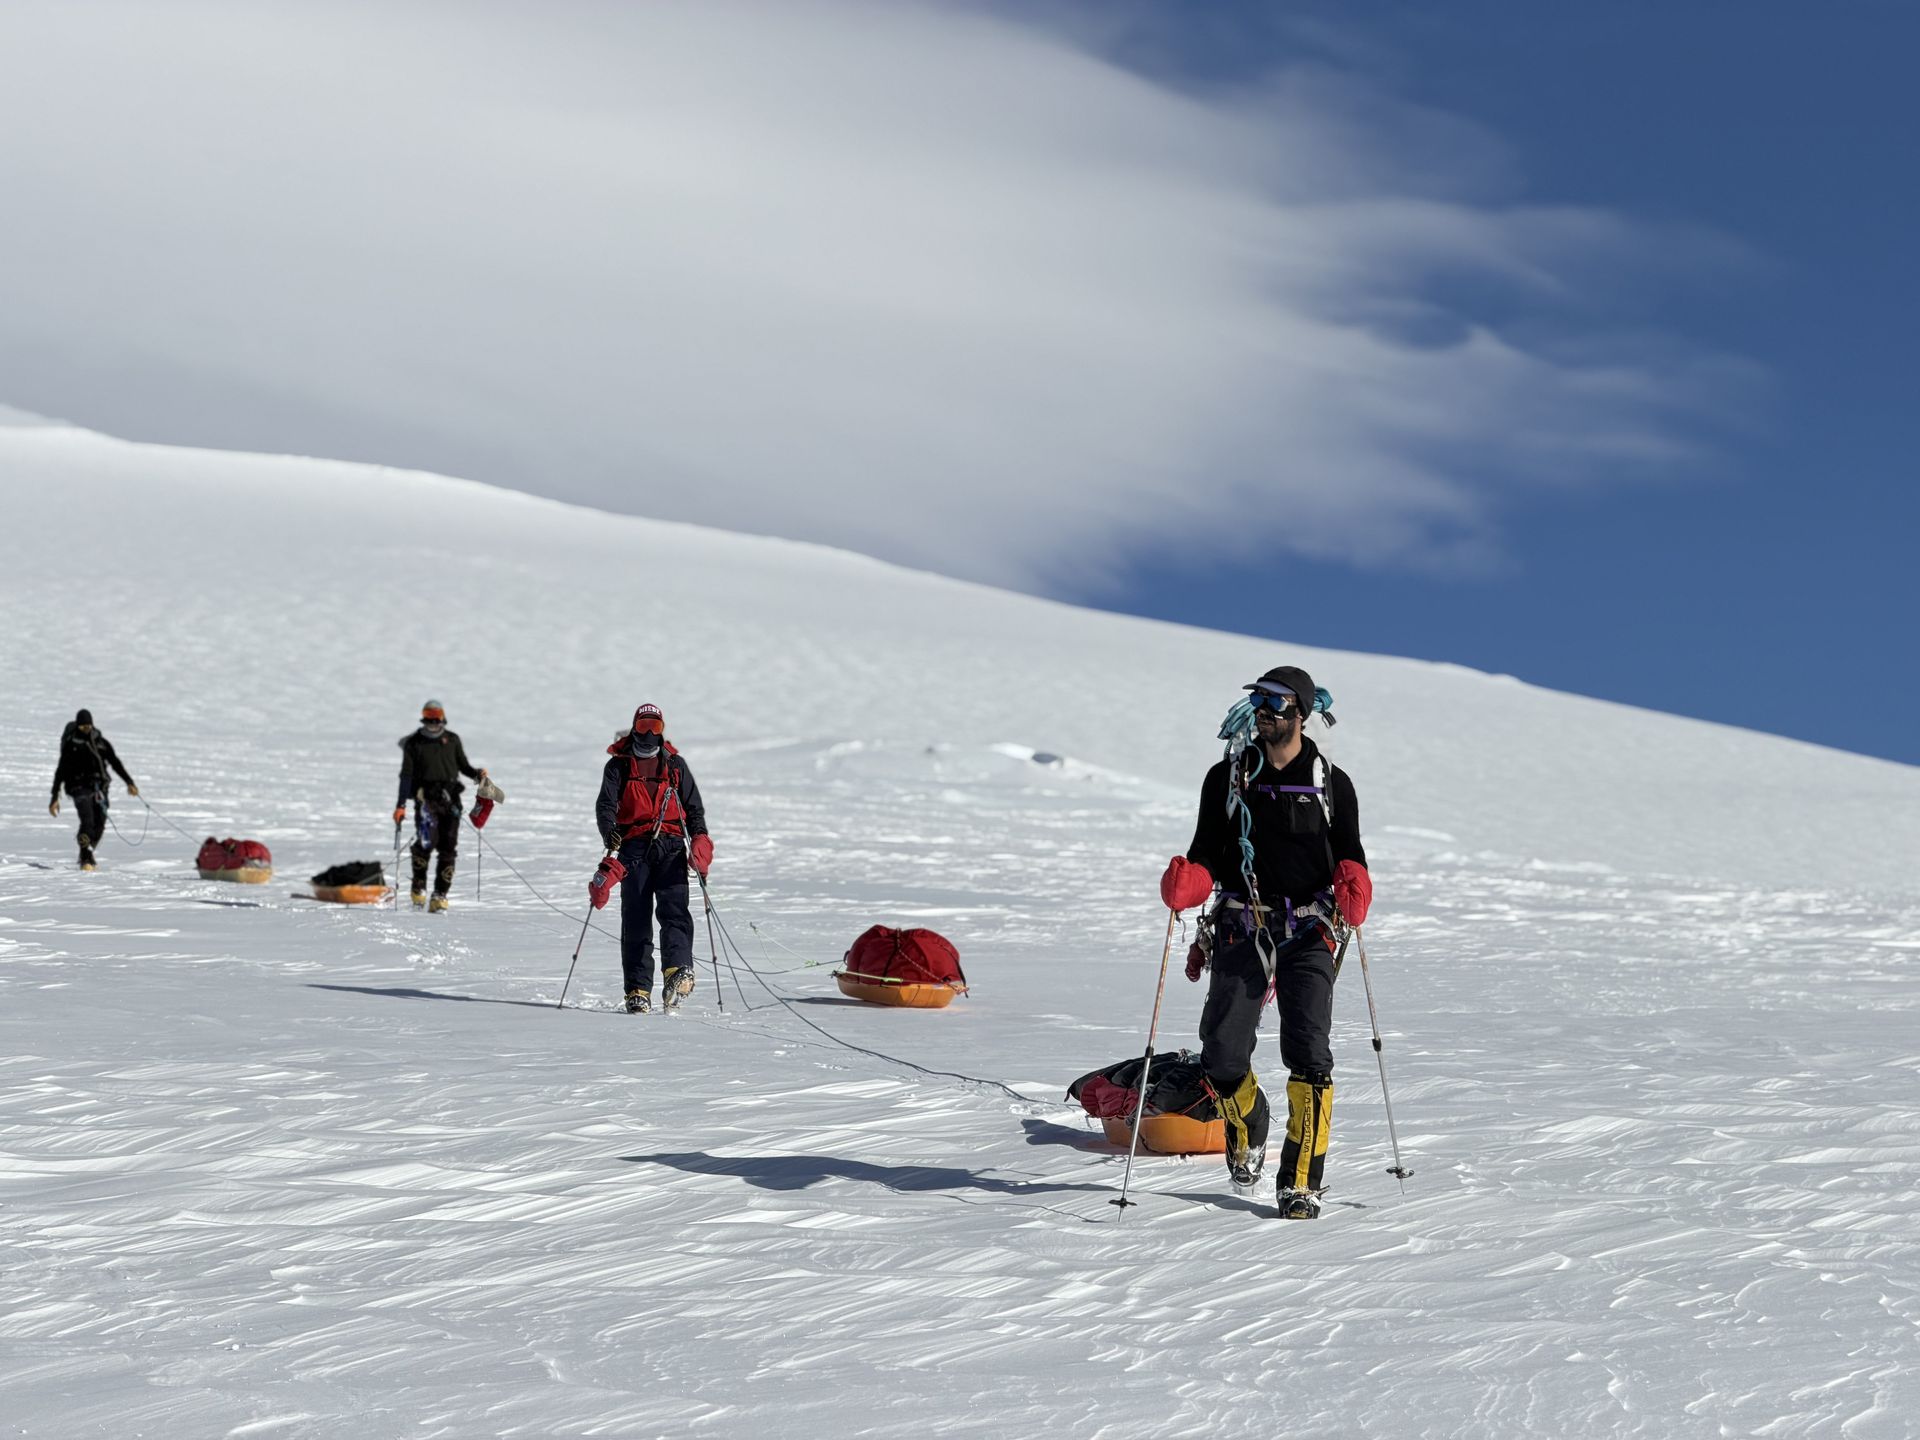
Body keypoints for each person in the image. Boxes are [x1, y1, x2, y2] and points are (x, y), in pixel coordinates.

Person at [1159, 665, 1373, 1220]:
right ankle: (1248, 1121)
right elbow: (1207, 847)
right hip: (1240, 922)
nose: (1263, 712)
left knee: (1308, 1052)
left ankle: (1300, 1182)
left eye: (1276, 704)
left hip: (1309, 928)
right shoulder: (1226, 778)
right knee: (1222, 1053)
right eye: (1258, 702)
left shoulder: (1332, 782)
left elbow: (1349, 850)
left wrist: (1354, 881)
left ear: (1301, 714)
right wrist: (1193, 879)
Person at [595, 703, 713, 1013]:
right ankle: (638, 989)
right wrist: (609, 833)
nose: (649, 733)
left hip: (672, 846)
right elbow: (606, 806)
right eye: (645, 725)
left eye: (656, 727)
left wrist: (699, 838)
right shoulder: (618, 767)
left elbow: (694, 809)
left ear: (662, 730)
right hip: (634, 849)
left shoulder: (675, 765)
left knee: (675, 912)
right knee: (636, 919)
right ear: (635, 727)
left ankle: (677, 972)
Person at [393, 699, 486, 912]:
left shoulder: (452, 740)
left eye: (437, 717)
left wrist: (477, 774)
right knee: (426, 843)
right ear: (424, 717)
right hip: (425, 800)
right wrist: (400, 805)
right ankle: (419, 888)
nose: (434, 721)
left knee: (448, 847)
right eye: (430, 717)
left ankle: (440, 895)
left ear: (442, 718)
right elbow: (406, 775)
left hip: (451, 800)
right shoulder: (414, 743)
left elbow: (463, 766)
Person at [48, 708, 138, 870]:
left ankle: (88, 851)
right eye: (82, 727)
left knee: (100, 824)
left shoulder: (100, 742)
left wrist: (129, 782)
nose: (86, 729)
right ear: (77, 726)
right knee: (87, 821)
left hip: (100, 788)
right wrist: (55, 796)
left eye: (88, 726)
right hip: (78, 787)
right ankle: (86, 857)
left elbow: (115, 763)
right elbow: (60, 771)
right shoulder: (71, 745)